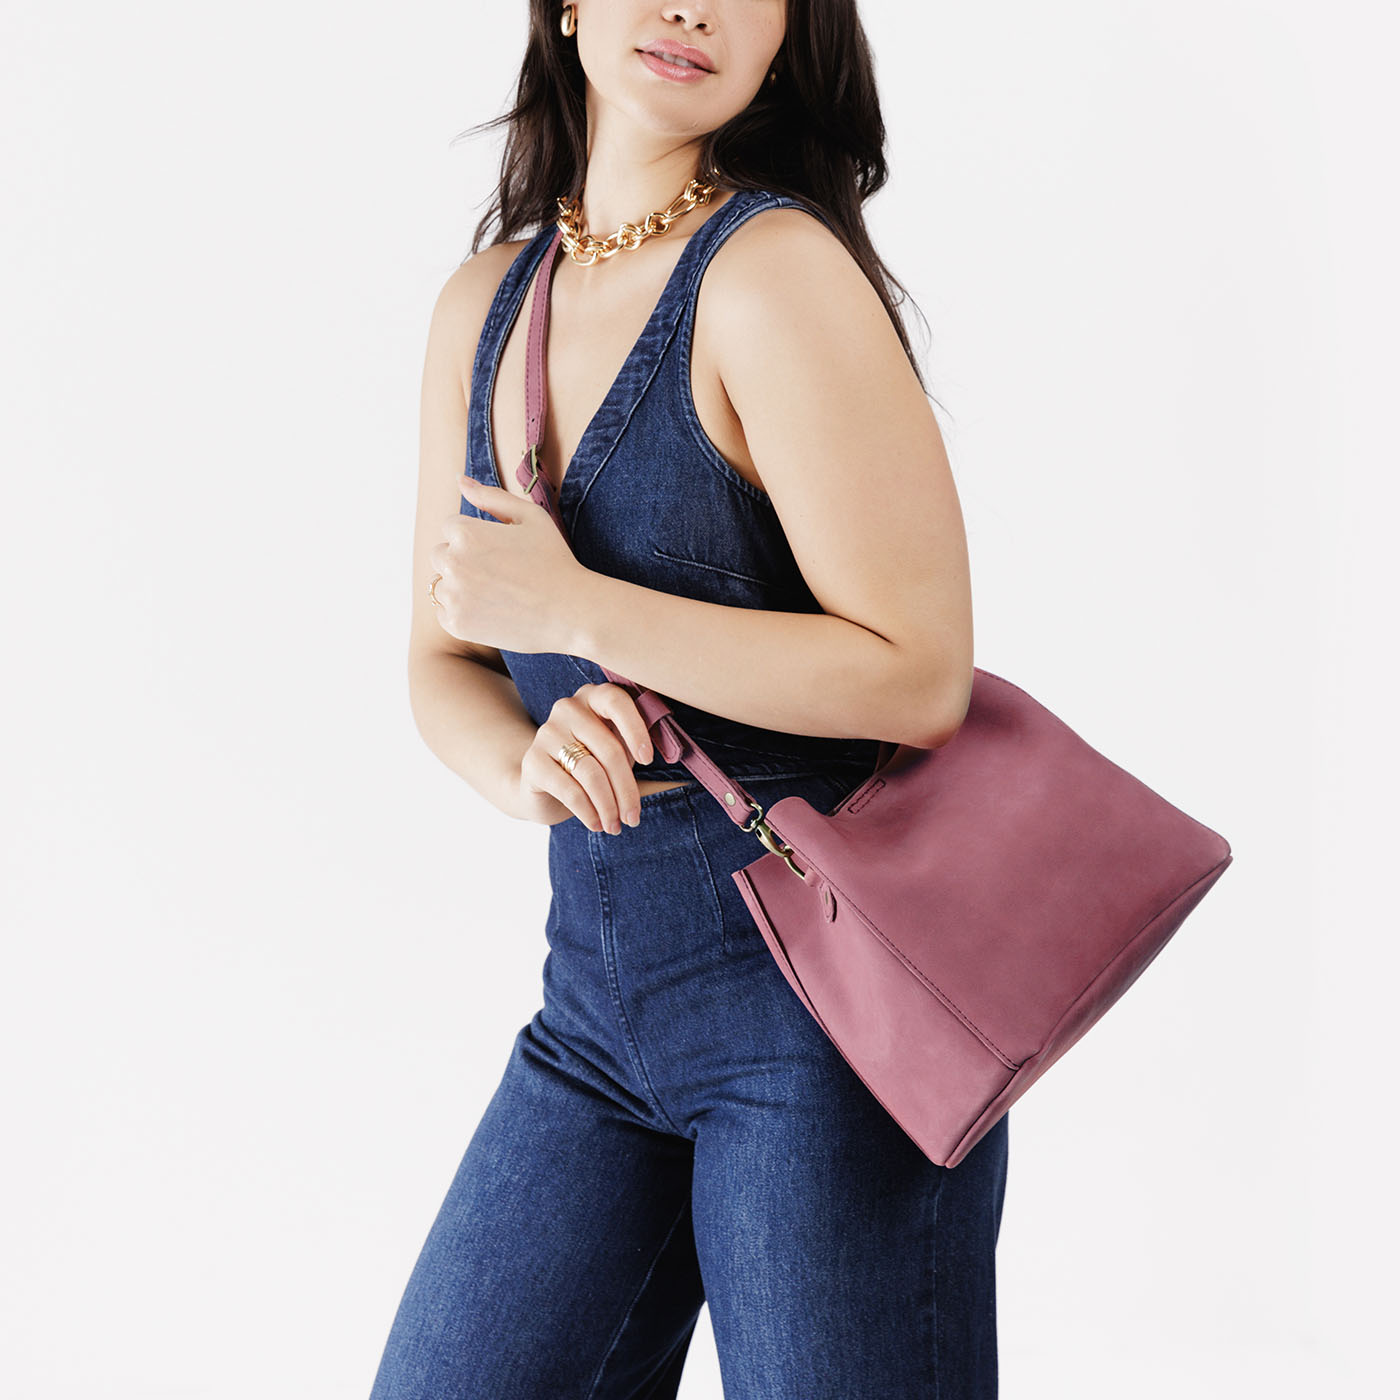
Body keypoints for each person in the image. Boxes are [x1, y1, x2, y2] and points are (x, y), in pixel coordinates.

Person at [370, 2, 1009, 1396]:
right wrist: (527, 764)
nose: (692, 7)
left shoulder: (771, 276)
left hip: (823, 1025)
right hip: (593, 1012)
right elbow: (443, 658)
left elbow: (918, 673)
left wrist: (584, 613)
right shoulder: (485, 309)